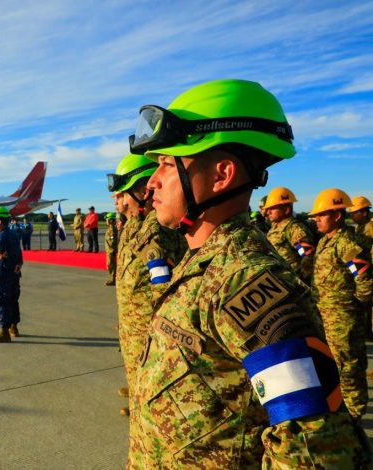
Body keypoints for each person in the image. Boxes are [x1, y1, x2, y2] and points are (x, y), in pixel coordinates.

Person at [129, 79, 369, 468]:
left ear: (221, 175)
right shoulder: (202, 263)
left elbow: (317, 447)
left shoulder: (246, 281)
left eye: (167, 165)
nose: (151, 183)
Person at [107, 152, 187, 445]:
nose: (117, 201)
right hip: (132, 324)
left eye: (121, 194)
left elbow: (162, 288)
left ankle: (142, 409)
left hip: (146, 329)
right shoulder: (133, 225)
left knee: (150, 392)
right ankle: (138, 399)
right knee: (136, 377)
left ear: (141, 191)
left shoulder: (156, 230)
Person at [309, 189, 372, 421]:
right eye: (316, 216)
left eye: (321, 215)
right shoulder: (326, 241)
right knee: (332, 367)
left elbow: (364, 276)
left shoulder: (345, 243)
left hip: (343, 318)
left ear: (337, 216)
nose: (316, 219)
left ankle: (355, 419)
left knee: (348, 369)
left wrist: (356, 304)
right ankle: (340, 414)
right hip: (326, 315)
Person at [262, 187, 316, 284]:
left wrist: (301, 281)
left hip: (292, 282)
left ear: (286, 210)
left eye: (272, 208)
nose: (268, 212)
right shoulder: (275, 227)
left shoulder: (294, 228)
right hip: (280, 280)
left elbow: (307, 255)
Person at [0, 206, 23, 343]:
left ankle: (4, 332)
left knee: (2, 301)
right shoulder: (13, 234)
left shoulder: (1, 236)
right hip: (14, 273)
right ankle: (14, 327)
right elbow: (18, 254)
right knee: (13, 300)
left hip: (2, 274)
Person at [349, 195, 373, 339]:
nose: (351, 215)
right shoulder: (361, 226)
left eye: (354, 212)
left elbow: (362, 249)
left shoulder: (370, 227)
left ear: (364, 212)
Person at [104, 212, 118, 286]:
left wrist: (112, 249)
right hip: (109, 249)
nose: (106, 221)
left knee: (111, 264)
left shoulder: (112, 229)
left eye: (107, 220)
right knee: (110, 264)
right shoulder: (110, 228)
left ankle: (113, 279)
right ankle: (113, 279)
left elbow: (112, 240)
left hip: (111, 250)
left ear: (110, 221)